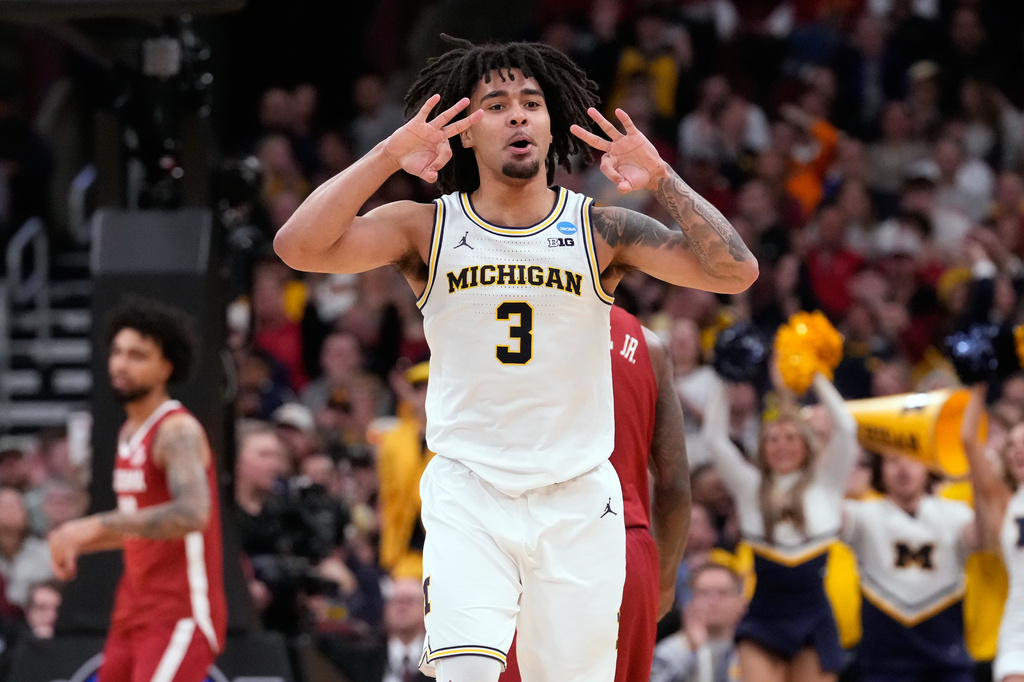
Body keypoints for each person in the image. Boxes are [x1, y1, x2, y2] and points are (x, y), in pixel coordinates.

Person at [274, 35, 755, 682]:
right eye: (495, 104)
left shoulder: (599, 229)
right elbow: (298, 246)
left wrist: (662, 177)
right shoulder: (426, 227)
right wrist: (390, 152)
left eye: (531, 102)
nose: (518, 114)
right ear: (467, 133)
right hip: (471, 491)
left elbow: (735, 273)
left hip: (578, 497)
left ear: (553, 122)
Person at [500, 305, 691, 682]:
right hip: (623, 548)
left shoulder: (505, 325)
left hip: (529, 547)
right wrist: (664, 581)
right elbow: (674, 484)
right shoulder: (648, 344)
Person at [47, 299, 227, 682]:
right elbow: (140, 524)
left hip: (180, 613)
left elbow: (193, 514)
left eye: (137, 355)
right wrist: (76, 540)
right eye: (117, 352)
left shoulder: (176, 431)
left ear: (166, 367)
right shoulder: (129, 433)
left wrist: (91, 527)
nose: (121, 364)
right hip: (133, 610)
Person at [702, 370, 858, 682]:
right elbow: (714, 439)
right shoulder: (750, 488)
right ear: (762, 448)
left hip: (814, 619)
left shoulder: (826, 485)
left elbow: (847, 429)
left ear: (806, 444)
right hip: (763, 618)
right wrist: (725, 377)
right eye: (772, 439)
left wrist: (815, 377)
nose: (781, 446)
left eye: (790, 438)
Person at [842, 453, 978, 682]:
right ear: (879, 469)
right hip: (882, 665)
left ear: (929, 467)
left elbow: (985, 538)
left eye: (913, 459)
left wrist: (976, 462)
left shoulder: (956, 514)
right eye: (893, 460)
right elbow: (827, 512)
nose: (903, 468)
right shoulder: (862, 514)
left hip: (949, 663)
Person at [962, 383, 1024, 682]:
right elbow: (968, 440)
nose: (1018, 452)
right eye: (1011, 445)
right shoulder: (1005, 504)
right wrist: (981, 382)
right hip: (1017, 633)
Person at [651, 562, 747, 682]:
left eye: (723, 593)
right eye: (704, 593)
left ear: (740, 601)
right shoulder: (670, 652)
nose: (713, 601)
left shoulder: (752, 652)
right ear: (691, 600)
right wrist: (697, 652)